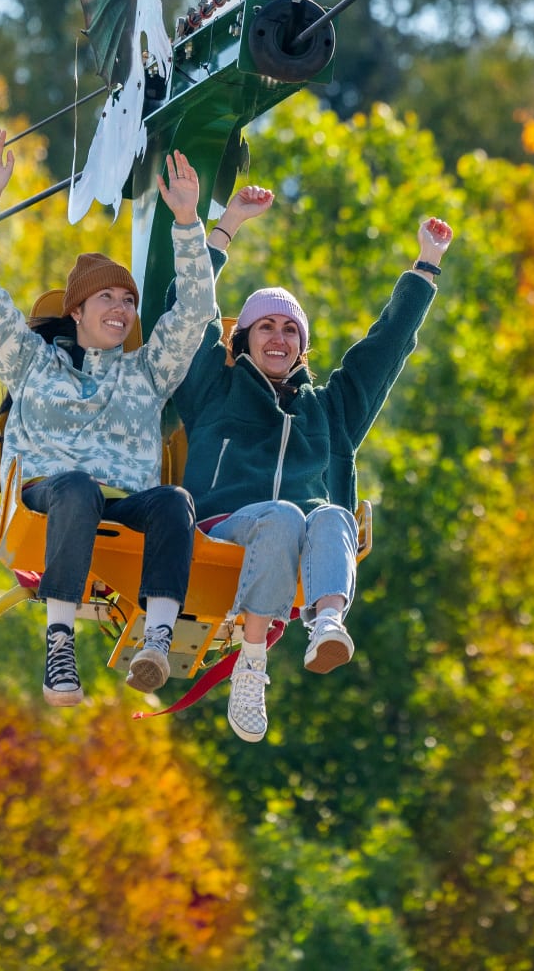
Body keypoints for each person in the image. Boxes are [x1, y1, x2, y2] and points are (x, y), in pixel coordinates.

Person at [170, 186, 453, 741]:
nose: (279, 337)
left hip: (302, 550)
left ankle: (326, 621)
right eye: (267, 327)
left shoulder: (331, 411)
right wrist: (224, 228)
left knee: (329, 515)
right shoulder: (212, 391)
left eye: (290, 329)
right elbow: (190, 314)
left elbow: (385, 348)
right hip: (222, 533)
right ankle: (251, 666)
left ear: (302, 348)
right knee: (282, 515)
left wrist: (426, 265)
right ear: (243, 339)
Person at [0, 128, 215, 707]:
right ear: (77, 311)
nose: (123, 309)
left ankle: (156, 638)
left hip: (124, 502)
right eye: (108, 299)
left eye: (128, 301)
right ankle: (60, 643)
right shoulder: (31, 363)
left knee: (175, 502)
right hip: (50, 495)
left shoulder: (145, 373)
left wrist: (187, 224)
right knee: (77, 488)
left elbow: (196, 311)